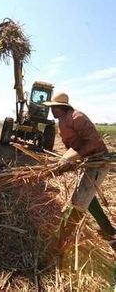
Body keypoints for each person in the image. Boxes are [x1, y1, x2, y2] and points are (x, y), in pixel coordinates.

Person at [43, 92, 115, 250]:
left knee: (78, 202)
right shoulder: (62, 121)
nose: (51, 110)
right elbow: (72, 146)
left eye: (52, 107)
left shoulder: (77, 117)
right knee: (87, 198)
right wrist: (67, 160)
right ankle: (108, 229)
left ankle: (58, 240)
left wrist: (75, 156)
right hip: (86, 162)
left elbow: (94, 142)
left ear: (60, 107)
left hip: (97, 163)